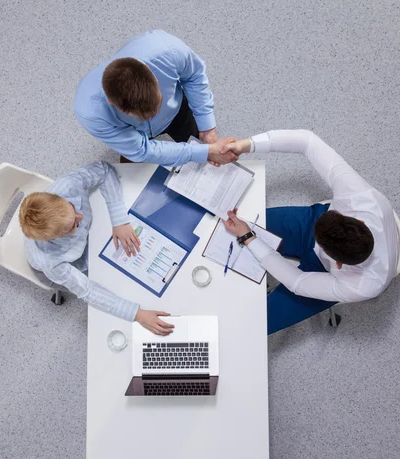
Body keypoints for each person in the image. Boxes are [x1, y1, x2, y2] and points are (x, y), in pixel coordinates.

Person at [222, 130, 399, 334]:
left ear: (338, 263)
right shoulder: (361, 198)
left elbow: (297, 282)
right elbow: (307, 141)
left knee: (254, 327)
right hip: (309, 223)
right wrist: (246, 145)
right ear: (356, 219)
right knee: (231, 222)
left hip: (323, 273)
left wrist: (249, 238)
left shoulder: (364, 285)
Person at [19, 161, 174, 336]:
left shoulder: (66, 186)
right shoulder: (51, 263)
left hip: (84, 241)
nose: (81, 215)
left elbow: (104, 170)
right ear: (56, 237)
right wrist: (137, 314)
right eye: (73, 225)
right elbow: (87, 290)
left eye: (72, 208)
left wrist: (119, 220)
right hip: (66, 265)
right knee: (114, 281)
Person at [74, 30, 237, 167]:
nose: (154, 117)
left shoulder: (169, 50)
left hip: (176, 111)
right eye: (144, 116)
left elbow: (194, 76)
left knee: (204, 145)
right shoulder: (91, 113)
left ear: (150, 72)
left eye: (158, 104)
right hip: (133, 131)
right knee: (130, 174)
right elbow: (142, 150)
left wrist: (208, 130)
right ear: (112, 103)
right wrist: (205, 152)